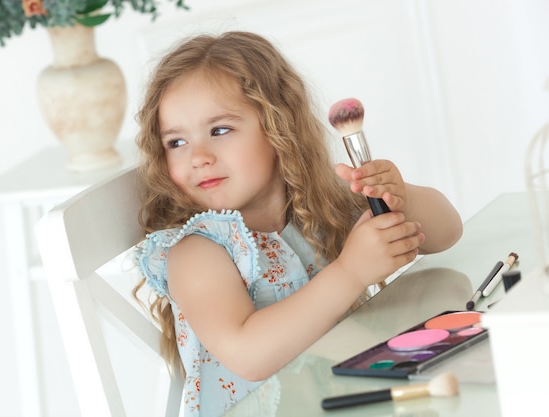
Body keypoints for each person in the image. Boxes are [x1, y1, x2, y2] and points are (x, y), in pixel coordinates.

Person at [129, 31, 462, 417]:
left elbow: (447, 231)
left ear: (277, 127)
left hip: (347, 397)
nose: (198, 156)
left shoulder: (315, 207)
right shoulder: (196, 252)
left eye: (219, 130)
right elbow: (248, 354)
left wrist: (399, 195)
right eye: (176, 142)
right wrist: (350, 271)